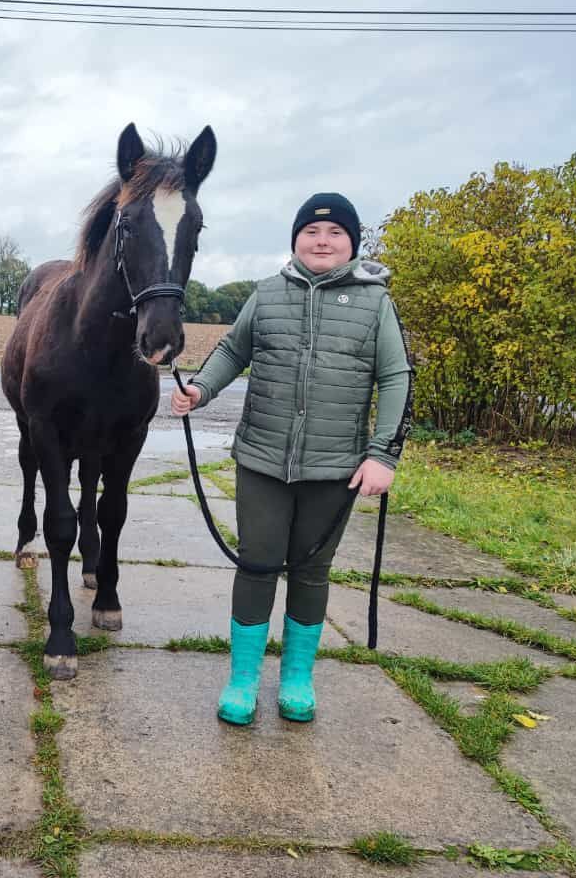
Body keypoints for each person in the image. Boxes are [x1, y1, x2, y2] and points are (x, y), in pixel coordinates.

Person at [171, 193, 413, 725]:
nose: (321, 241)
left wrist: (382, 455)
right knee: (256, 564)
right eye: (311, 232)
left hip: (335, 468)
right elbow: (236, 349)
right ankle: (243, 679)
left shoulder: (376, 304)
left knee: (310, 571)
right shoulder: (267, 293)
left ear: (351, 244)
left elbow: (396, 377)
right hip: (262, 459)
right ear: (296, 239)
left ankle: (298, 677)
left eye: (334, 234)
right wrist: (201, 390)